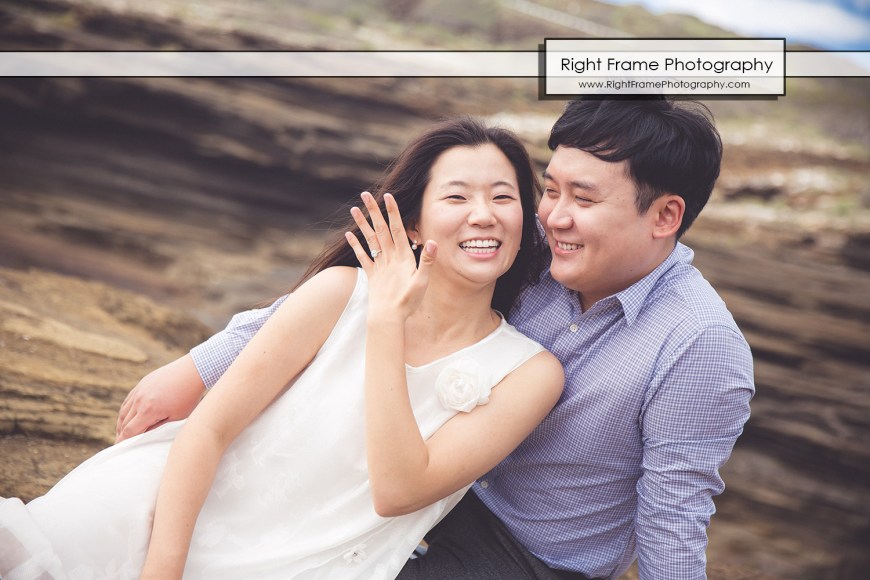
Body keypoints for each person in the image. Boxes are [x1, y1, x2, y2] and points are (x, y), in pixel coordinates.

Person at [116, 97, 755, 579]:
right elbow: (357, 289)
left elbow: (674, 517)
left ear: (665, 215)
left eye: (582, 199)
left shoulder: (699, 345)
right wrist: (199, 368)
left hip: (522, 555)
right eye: (549, 189)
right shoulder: (531, 247)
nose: (554, 216)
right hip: (434, 497)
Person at [0, 118, 565, 580]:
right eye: (457, 196)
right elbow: (210, 428)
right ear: (412, 223)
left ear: (524, 222)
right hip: (169, 510)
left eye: (503, 197)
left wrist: (388, 323)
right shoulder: (340, 291)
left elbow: (399, 491)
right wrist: (162, 571)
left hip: (312, 563)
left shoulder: (529, 373)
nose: (483, 214)